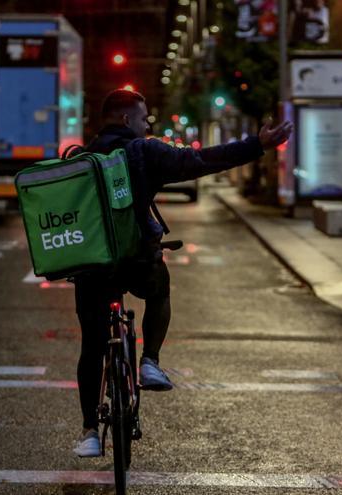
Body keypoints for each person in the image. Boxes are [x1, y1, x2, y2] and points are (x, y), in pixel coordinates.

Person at [72, 89, 293, 457]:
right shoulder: (142, 152)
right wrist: (256, 145)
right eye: (143, 119)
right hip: (137, 261)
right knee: (159, 291)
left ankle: (89, 432)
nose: (146, 126)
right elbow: (201, 161)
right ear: (127, 120)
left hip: (92, 268)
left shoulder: (80, 159)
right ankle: (150, 362)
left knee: (92, 345)